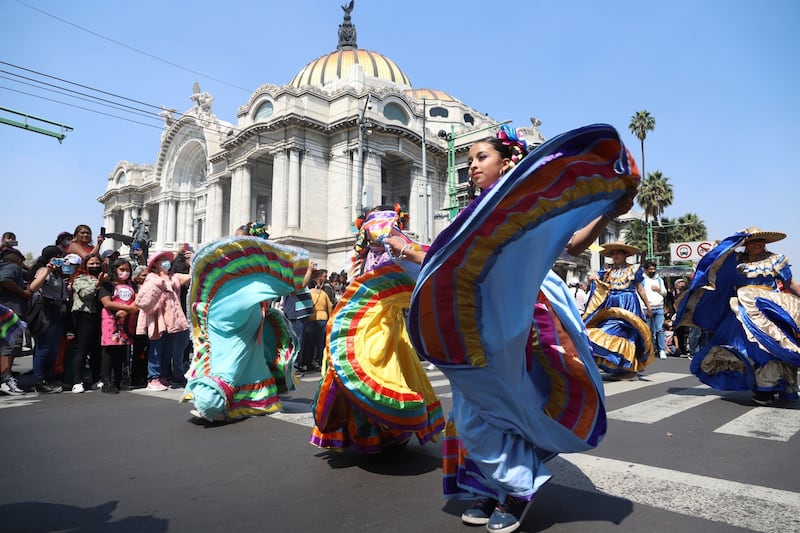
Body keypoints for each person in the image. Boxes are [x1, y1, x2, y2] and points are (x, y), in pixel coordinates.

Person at [406, 124, 639, 532]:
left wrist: (604, 214)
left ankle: (515, 488)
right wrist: (405, 248)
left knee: (506, 399)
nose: (473, 166)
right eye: (470, 160)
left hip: (526, 312)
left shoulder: (533, 204)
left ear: (507, 162)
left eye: (481, 158)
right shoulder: (470, 214)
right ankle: (492, 485)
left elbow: (572, 245)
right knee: (472, 405)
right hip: (476, 314)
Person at [310, 207, 443, 453]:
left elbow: (417, 263)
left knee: (378, 364)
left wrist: (393, 240)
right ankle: (363, 432)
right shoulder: (367, 254)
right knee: (349, 362)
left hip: (386, 322)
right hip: (364, 319)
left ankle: (390, 428)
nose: (379, 229)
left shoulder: (394, 245)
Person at [181, 237, 307, 422]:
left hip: (243, 325)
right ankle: (213, 401)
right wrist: (305, 266)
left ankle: (234, 401)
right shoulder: (243, 288)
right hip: (237, 324)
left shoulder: (238, 287)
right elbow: (296, 284)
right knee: (233, 365)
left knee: (246, 362)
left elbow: (294, 285)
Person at [675, 226, 800, 406]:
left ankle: (774, 385)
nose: (758, 243)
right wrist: (731, 241)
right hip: (741, 311)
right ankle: (764, 388)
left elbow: (790, 284)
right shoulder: (734, 261)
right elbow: (714, 266)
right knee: (750, 350)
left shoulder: (776, 259)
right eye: (753, 240)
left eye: (761, 240)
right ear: (745, 243)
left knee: (774, 347)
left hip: (770, 309)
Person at [583, 242, 654, 379]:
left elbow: (640, 289)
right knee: (605, 331)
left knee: (628, 333)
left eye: (618, 253)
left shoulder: (634, 269)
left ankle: (629, 368)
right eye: (613, 254)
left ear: (625, 255)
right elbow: (599, 287)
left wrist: (648, 306)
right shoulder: (607, 271)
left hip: (628, 303)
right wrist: (594, 279)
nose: (615, 256)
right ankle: (619, 365)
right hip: (611, 305)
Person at [135, 251, 191, 391]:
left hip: (173, 320)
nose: (167, 262)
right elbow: (142, 299)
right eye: (163, 260)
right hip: (158, 318)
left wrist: (190, 264)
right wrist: (163, 286)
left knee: (168, 349)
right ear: (155, 265)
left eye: (168, 260)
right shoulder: (151, 279)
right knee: (156, 349)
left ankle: (164, 376)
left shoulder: (174, 277)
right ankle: (153, 377)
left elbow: (191, 277)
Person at [27, 246, 74, 393]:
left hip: (58, 310)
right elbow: (33, 287)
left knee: (53, 348)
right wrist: (47, 270)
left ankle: (48, 378)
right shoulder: (43, 270)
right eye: (59, 257)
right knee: (44, 347)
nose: (62, 259)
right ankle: (39, 381)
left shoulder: (59, 274)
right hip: (46, 310)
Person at [98, 258, 138, 393]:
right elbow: (107, 303)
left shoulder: (132, 285)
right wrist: (126, 308)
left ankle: (118, 380)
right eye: (122, 270)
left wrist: (127, 310)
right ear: (115, 270)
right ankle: (107, 381)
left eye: (127, 270)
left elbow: (137, 301)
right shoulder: (107, 285)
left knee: (122, 351)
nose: (125, 273)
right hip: (111, 320)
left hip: (127, 322)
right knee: (109, 351)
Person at [69, 253, 104, 392]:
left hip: (99, 316)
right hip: (84, 315)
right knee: (82, 349)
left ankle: (96, 379)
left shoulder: (104, 277)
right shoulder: (80, 278)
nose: (95, 266)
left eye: (97, 263)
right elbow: (85, 294)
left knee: (97, 350)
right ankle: (77, 381)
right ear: (85, 265)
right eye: (91, 263)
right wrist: (98, 284)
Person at [0, 247, 31, 394]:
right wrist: (23, 293)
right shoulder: (12, 268)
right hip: (10, 315)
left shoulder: (6, 267)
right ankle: (6, 380)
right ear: (19, 261)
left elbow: (31, 274)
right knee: (9, 348)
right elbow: (5, 279)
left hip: (6, 313)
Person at [642, 260, 668, 359]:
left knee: (660, 329)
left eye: (654, 269)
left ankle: (662, 350)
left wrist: (659, 290)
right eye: (650, 269)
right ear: (646, 270)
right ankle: (651, 350)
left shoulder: (659, 280)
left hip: (659, 308)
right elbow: (639, 294)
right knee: (649, 331)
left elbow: (665, 293)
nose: (652, 271)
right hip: (646, 309)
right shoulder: (642, 280)